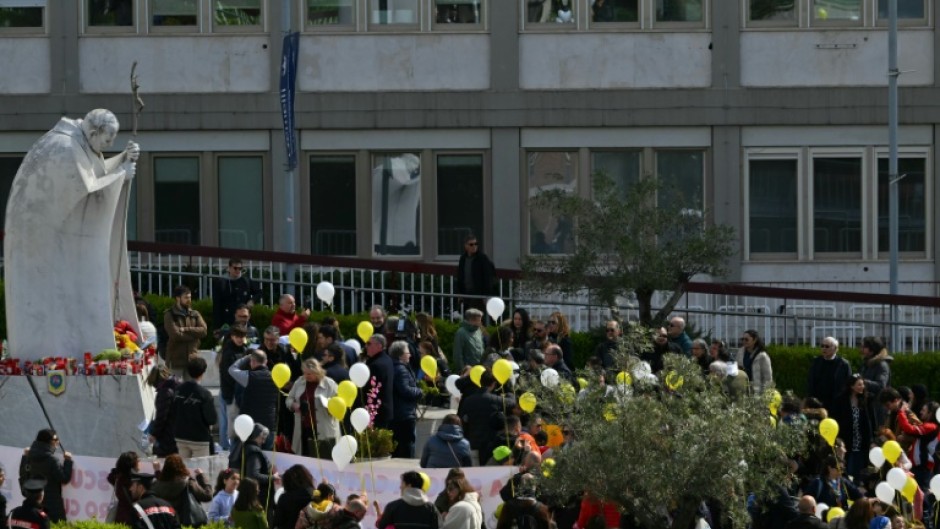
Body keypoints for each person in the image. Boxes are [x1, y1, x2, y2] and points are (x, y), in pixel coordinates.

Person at [4, 109, 140, 365]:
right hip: (41, 247)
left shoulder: (78, 142)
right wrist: (122, 174)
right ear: (93, 132)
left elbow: (92, 174)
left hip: (54, 242)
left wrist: (122, 159)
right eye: (108, 142)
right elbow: (85, 193)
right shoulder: (63, 148)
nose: (109, 146)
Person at [286, 358, 340, 458]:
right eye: (305, 373)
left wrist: (328, 405)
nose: (306, 376)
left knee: (322, 457)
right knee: (305, 457)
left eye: (309, 374)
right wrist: (294, 405)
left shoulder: (330, 384)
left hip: (323, 428)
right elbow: (289, 399)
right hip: (303, 428)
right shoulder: (299, 381)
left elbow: (339, 404)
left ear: (317, 372)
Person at [20, 428, 72, 522]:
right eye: (56, 440)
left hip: (32, 503)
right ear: (49, 442)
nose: (58, 442)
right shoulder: (52, 460)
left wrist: (24, 457)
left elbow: (23, 475)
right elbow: (64, 478)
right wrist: (68, 461)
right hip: (53, 507)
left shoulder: (29, 457)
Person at [831, 374, 877, 481]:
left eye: (863, 384)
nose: (862, 387)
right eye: (859, 384)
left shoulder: (867, 399)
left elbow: (872, 419)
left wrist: (872, 438)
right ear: (852, 386)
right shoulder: (841, 400)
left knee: (860, 467)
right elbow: (836, 418)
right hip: (846, 438)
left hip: (862, 440)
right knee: (846, 465)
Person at [230, 350, 278, 450]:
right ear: (266, 361)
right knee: (266, 458)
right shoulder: (275, 377)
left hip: (251, 425)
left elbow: (232, 369)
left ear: (252, 361)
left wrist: (245, 358)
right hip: (269, 423)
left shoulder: (248, 377)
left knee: (250, 456)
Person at [173, 355, 218, 457]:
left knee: (183, 470)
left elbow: (173, 411)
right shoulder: (204, 394)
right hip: (199, 438)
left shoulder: (178, 390)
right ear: (203, 372)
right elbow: (211, 419)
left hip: (180, 436)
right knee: (200, 470)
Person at [151, 454, 212, 526]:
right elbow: (207, 496)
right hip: (186, 523)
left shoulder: (157, 485)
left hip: (166, 524)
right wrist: (201, 476)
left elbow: (164, 483)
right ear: (182, 466)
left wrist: (157, 472)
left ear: (165, 468)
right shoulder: (189, 483)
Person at [163, 284, 208, 378]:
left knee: (191, 389)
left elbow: (204, 331)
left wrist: (186, 329)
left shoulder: (195, 314)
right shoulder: (169, 314)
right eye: (186, 297)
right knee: (175, 390)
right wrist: (194, 336)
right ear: (178, 298)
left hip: (192, 360)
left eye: (190, 297)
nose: (189, 300)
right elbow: (175, 335)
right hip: (175, 361)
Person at [229, 425, 279, 508]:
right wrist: (273, 477)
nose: (263, 442)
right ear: (255, 436)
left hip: (245, 494)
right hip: (258, 498)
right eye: (262, 438)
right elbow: (253, 475)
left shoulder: (241, 447)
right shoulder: (254, 452)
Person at [219, 323, 250, 450]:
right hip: (230, 392)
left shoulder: (243, 349)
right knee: (228, 423)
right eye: (237, 336)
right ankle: (226, 448)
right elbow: (228, 375)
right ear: (232, 336)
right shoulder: (228, 352)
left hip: (238, 392)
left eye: (242, 336)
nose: (240, 339)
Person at [391, 339, 424, 458]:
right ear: (401, 355)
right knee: (407, 446)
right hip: (404, 414)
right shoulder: (401, 369)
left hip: (400, 413)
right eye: (407, 352)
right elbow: (405, 390)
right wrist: (420, 391)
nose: (410, 355)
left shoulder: (396, 367)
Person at [375, 471, 441, 529]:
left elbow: (381, 526)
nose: (400, 487)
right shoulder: (431, 508)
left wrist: (380, 518)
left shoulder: (393, 507)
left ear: (409, 485)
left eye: (402, 483)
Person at [213, 258, 262, 330]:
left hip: (243, 319)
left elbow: (259, 292)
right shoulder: (221, 283)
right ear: (229, 268)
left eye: (240, 268)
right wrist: (217, 327)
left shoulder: (246, 281)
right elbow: (217, 305)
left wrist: (252, 300)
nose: (238, 271)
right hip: (227, 320)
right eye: (235, 268)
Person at [807, 337, 852, 413]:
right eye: (822, 346)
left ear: (835, 349)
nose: (824, 348)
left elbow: (848, 384)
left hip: (837, 405)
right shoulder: (816, 362)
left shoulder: (843, 364)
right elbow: (811, 382)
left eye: (827, 346)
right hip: (818, 404)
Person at [147, 365, 181, 457]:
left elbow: (161, 416)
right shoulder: (176, 386)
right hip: (179, 431)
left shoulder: (165, 392)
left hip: (168, 435)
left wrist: (154, 433)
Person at [455, 234, 494, 313]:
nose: (474, 246)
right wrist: (459, 293)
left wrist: (486, 295)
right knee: (466, 315)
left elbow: (487, 277)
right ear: (466, 246)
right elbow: (460, 275)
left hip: (478, 294)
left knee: (476, 315)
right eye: (471, 244)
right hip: (466, 293)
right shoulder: (463, 258)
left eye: (476, 244)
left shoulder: (482, 258)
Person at [364, 334, 396, 429]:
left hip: (377, 413)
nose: (366, 346)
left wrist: (369, 412)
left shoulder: (376, 365)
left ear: (379, 346)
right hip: (385, 410)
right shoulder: (387, 359)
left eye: (369, 344)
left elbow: (371, 390)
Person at [860, 336, 893, 425]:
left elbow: (881, 385)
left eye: (864, 347)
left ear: (872, 350)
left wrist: (862, 382)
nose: (861, 349)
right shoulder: (866, 363)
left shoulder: (882, 365)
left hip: (878, 407)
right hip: (867, 405)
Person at [107, 451, 141, 525]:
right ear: (132, 464)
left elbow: (110, 477)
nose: (139, 463)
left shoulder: (118, 479)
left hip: (120, 516)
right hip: (132, 518)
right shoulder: (133, 482)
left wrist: (117, 470)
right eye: (138, 461)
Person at [737, 329, 773, 395]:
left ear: (755, 340)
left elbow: (768, 378)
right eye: (743, 339)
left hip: (756, 391)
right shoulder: (740, 352)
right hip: (742, 390)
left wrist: (766, 394)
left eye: (747, 339)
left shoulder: (762, 356)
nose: (744, 341)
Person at [453, 309, 484, 373]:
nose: (480, 322)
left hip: (479, 370)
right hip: (467, 372)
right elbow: (458, 355)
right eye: (479, 320)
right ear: (472, 320)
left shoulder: (478, 331)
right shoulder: (461, 333)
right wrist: (462, 371)